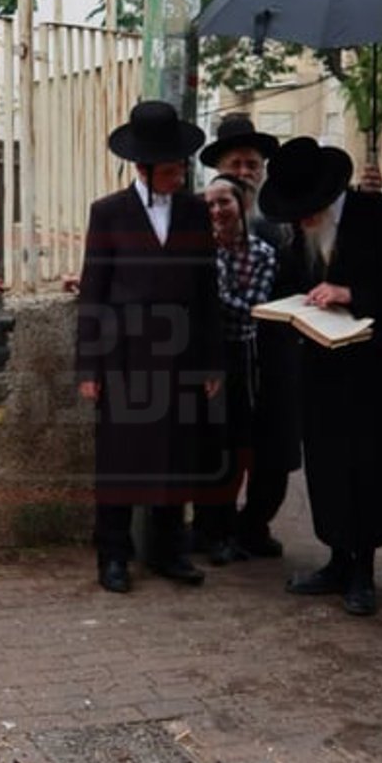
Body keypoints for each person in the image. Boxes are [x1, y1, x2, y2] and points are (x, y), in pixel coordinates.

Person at [260, 137, 382, 616]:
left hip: (369, 369)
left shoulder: (380, 214)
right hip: (317, 367)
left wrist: (351, 293)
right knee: (328, 467)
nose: (300, 219)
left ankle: (362, 570)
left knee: (369, 468)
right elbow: (292, 283)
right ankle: (335, 559)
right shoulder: (300, 231)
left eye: (306, 209)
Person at [75, 100, 224, 595]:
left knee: (176, 458)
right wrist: (89, 368)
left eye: (181, 167)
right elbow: (93, 292)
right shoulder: (108, 213)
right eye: (168, 170)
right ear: (141, 168)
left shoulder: (195, 212)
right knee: (121, 461)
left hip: (181, 357)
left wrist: (210, 362)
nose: (178, 177)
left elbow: (207, 293)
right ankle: (113, 554)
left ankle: (169, 550)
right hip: (124, 358)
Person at [198, 111, 299, 554]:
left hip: (274, 361)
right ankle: (213, 528)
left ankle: (254, 526)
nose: (245, 173)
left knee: (271, 453)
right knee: (218, 448)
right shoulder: (200, 225)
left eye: (252, 165)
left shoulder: (286, 226)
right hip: (219, 360)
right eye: (236, 165)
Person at [195, 175, 279, 565]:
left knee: (233, 449)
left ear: (242, 204)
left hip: (240, 358)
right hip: (198, 357)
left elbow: (252, 308)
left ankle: (225, 532)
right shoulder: (196, 249)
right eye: (209, 205)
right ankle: (203, 530)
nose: (216, 211)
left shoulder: (262, 252)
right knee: (203, 449)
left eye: (223, 202)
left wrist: (211, 291)